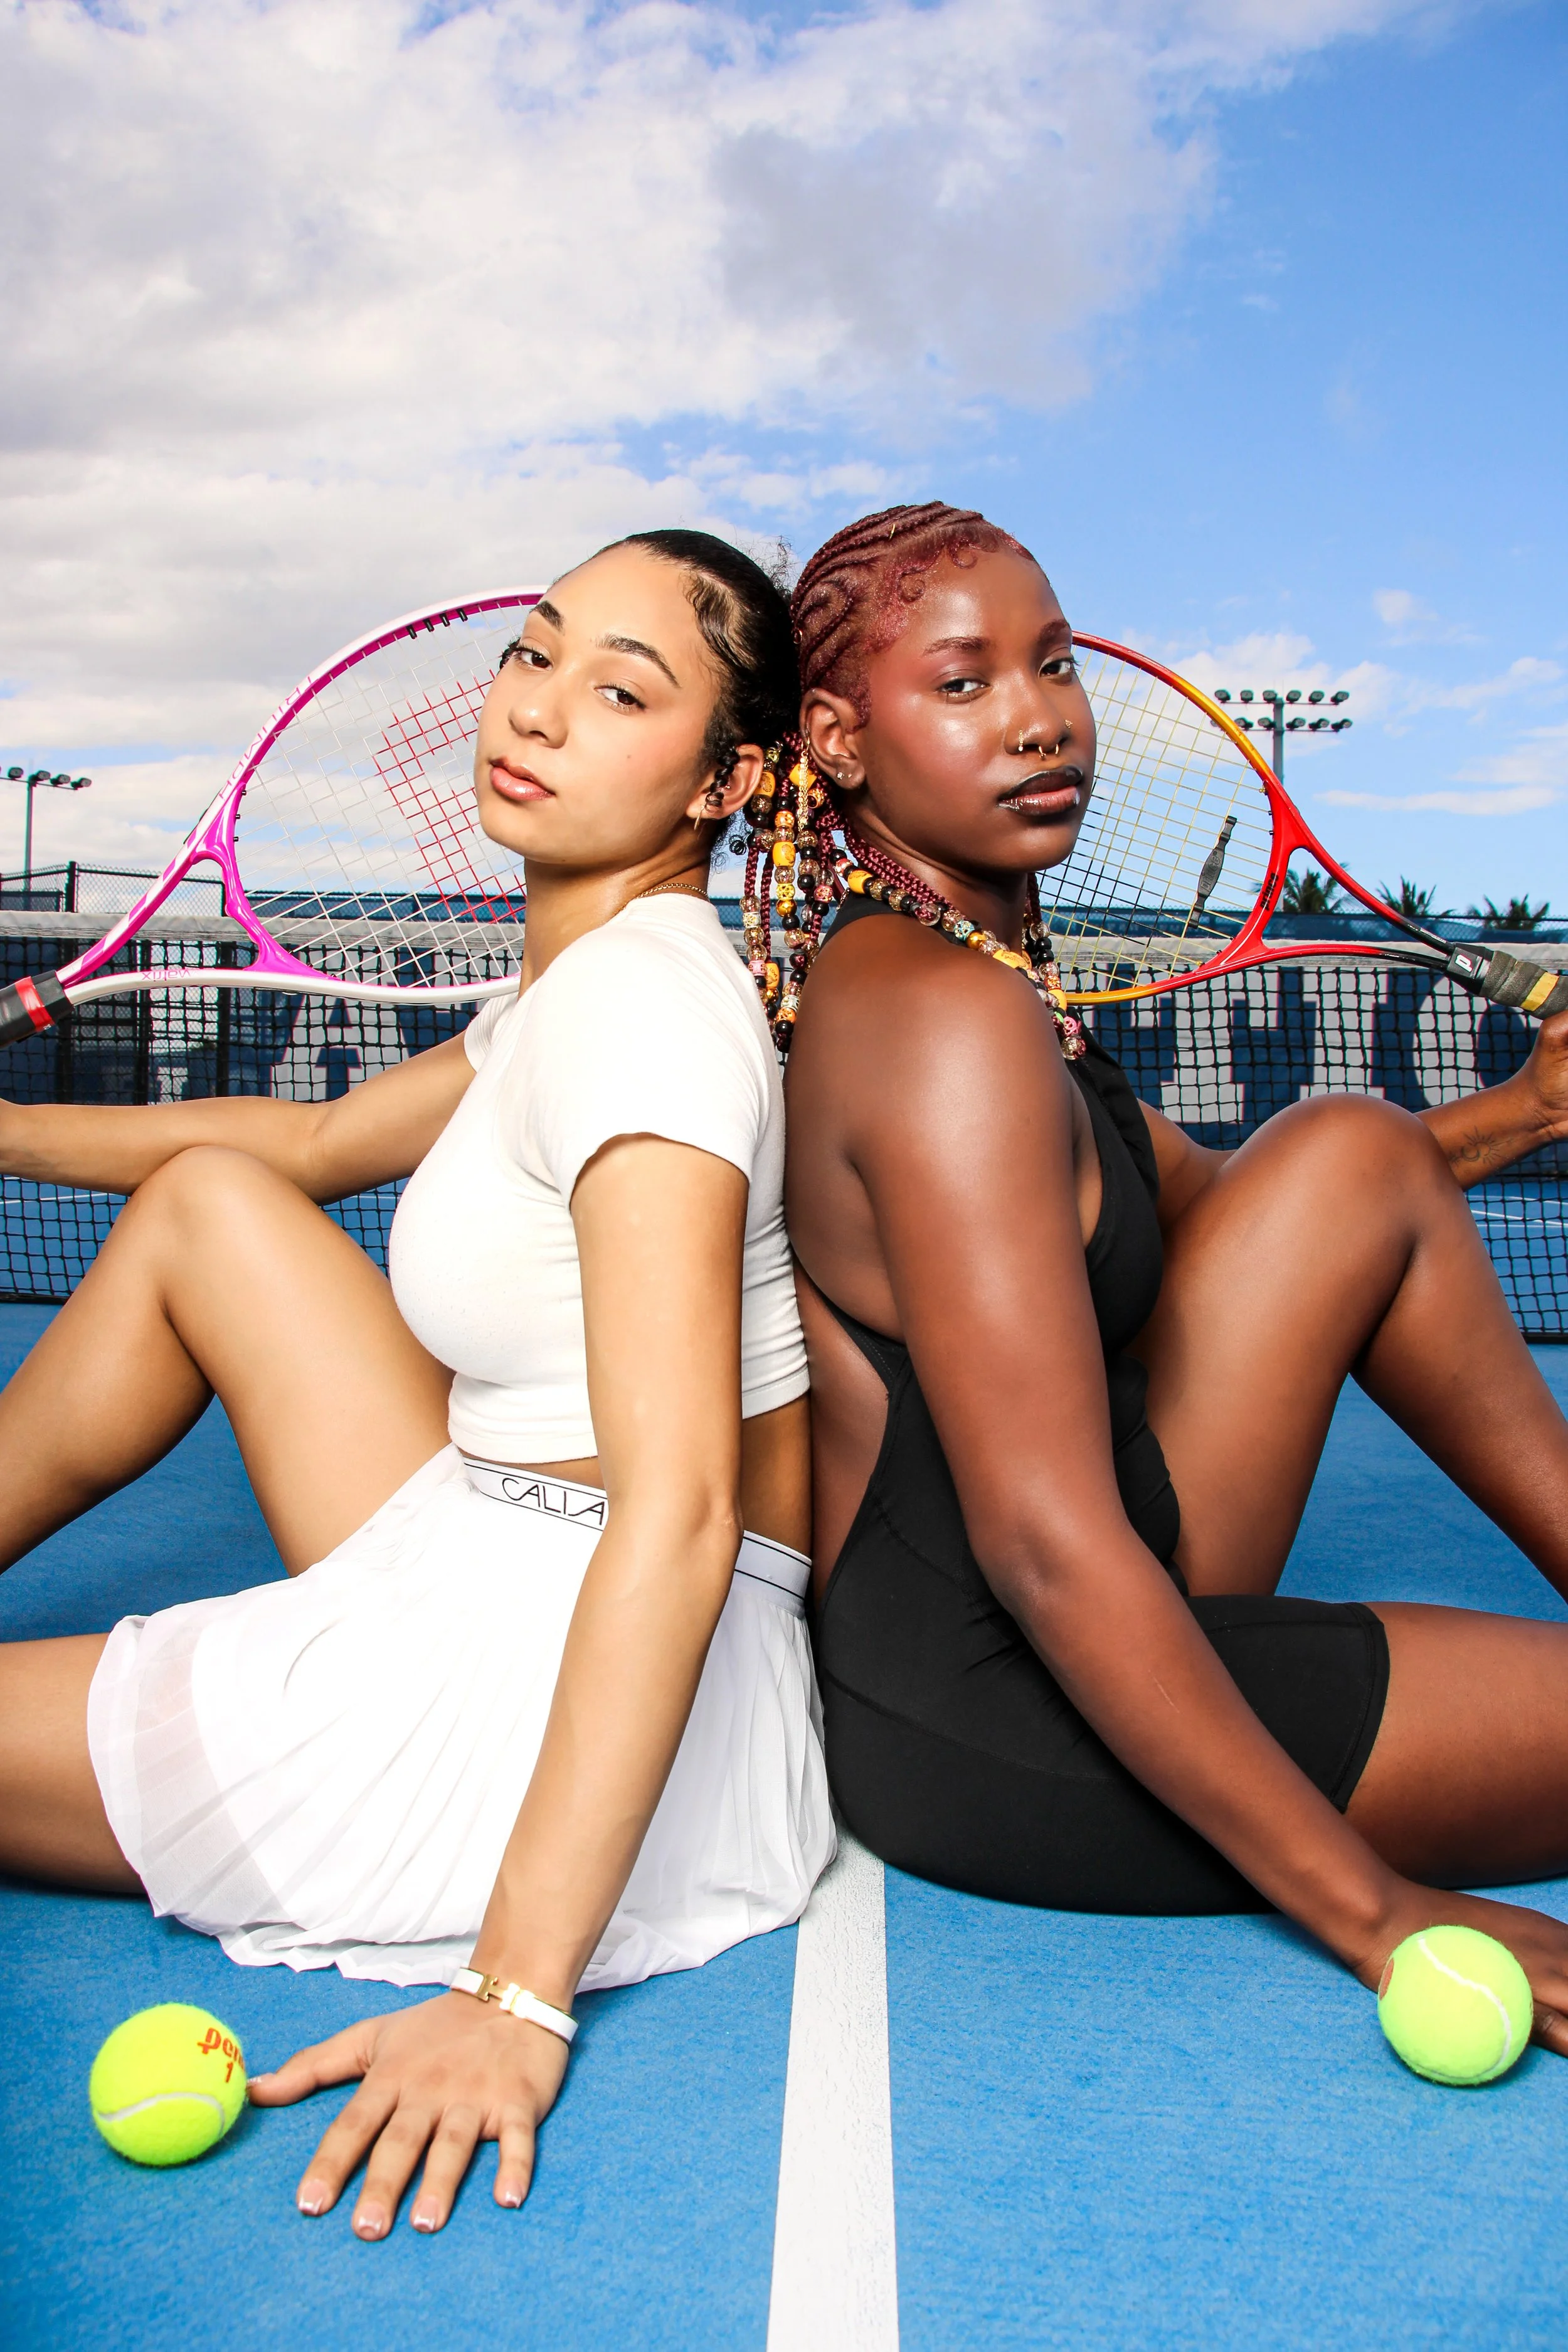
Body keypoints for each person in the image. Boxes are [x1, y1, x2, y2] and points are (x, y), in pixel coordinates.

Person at [0, 529, 833, 2232]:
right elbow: (299, 1142)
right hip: (501, 1521)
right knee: (215, 1208)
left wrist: (516, 1991)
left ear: (723, 779)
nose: (534, 709)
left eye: (621, 688)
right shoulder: (570, 987)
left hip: (569, 1674)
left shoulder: (645, 1022)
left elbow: (676, 1511)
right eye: (533, 656)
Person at [772, 499, 1568, 2049]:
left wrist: (1527, 1114)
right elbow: (1043, 1546)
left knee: (1346, 1144)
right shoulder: (939, 1025)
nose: (1035, 718)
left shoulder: (976, 979)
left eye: (1052, 665)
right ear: (837, 739)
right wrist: (1370, 1907)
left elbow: (1251, 1205)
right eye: (961, 683)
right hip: (1006, 1709)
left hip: (1080, 1594)